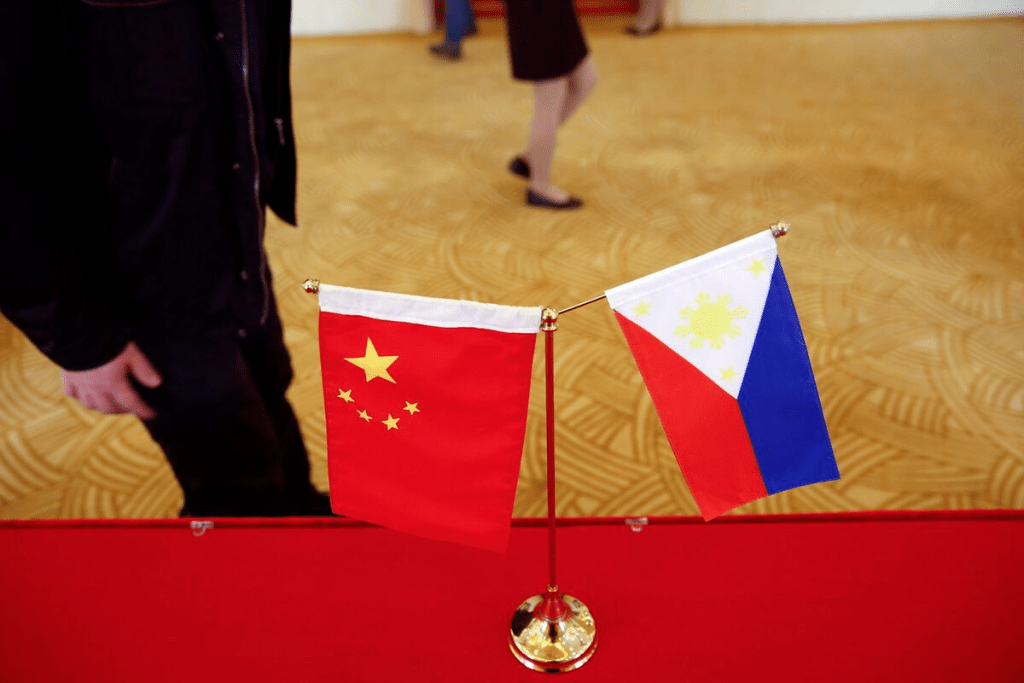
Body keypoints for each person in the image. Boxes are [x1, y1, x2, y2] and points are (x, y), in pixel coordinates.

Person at [0, 0, 331, 517]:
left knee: (270, 386)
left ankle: (301, 514)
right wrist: (74, 337)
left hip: (234, 237)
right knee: (233, 474)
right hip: (138, 279)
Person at [503, 0, 597, 210]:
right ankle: (540, 186)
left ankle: (531, 157)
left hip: (555, 7)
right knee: (550, 94)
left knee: (586, 79)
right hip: (538, 9)